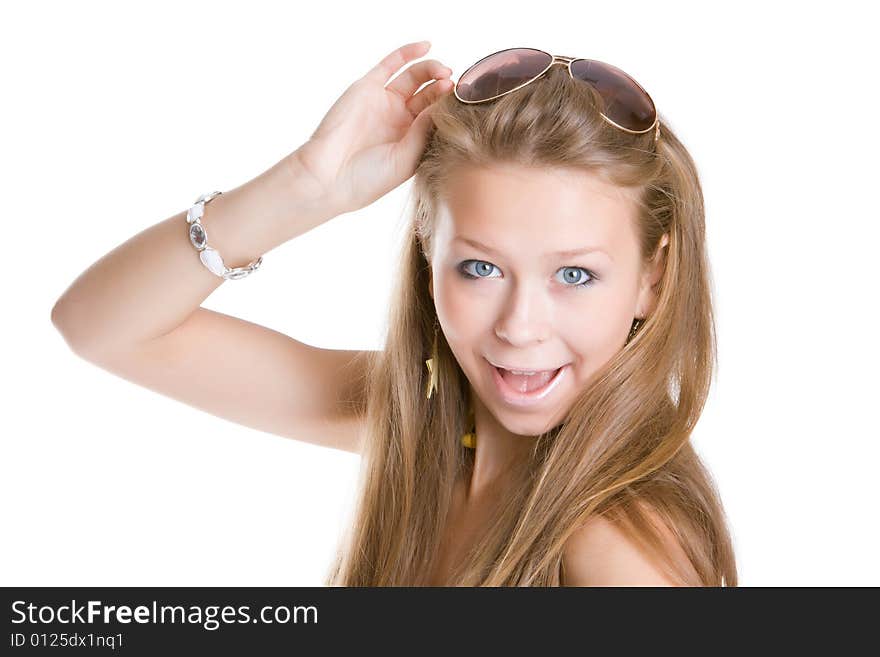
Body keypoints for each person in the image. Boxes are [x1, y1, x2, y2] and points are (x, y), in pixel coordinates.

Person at [51, 41, 736, 586]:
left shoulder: (616, 541)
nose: (520, 326)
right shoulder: (427, 423)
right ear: (425, 254)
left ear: (654, 275)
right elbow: (99, 325)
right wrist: (306, 188)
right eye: (481, 267)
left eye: (575, 274)